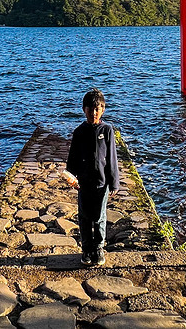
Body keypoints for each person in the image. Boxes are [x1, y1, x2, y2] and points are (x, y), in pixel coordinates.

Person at [65, 88, 120, 267]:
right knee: (84, 216)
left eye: (97, 109)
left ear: (103, 109)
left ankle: (98, 247)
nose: (94, 113)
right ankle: (86, 249)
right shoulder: (79, 132)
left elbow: (112, 157)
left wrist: (114, 182)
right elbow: (72, 159)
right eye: (90, 109)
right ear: (84, 110)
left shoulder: (107, 130)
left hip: (102, 183)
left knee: (99, 217)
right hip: (83, 183)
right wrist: (71, 176)